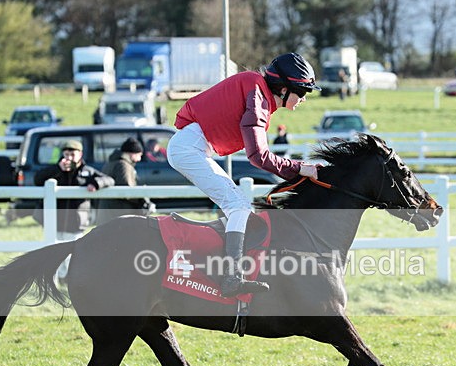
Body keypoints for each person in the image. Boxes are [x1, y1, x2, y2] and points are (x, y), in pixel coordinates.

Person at [166, 52, 321, 298]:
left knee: (237, 206)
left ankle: (222, 267)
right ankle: (231, 278)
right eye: (302, 92)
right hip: (189, 149)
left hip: (193, 147)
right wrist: (301, 168)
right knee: (238, 205)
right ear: (282, 89)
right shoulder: (257, 96)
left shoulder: (257, 91)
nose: (303, 99)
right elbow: (259, 156)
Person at [34, 139, 114, 281]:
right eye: (66, 154)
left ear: (80, 154)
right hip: (55, 222)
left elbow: (109, 180)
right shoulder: (55, 170)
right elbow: (37, 179)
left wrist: (96, 183)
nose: (69, 158)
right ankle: (55, 281)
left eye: (72, 154)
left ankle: (69, 281)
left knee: (72, 256)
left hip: (76, 223)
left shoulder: (88, 171)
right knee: (54, 253)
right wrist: (58, 169)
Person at [97, 137, 153, 225]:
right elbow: (126, 191)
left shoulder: (111, 163)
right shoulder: (123, 165)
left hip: (107, 215)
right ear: (132, 153)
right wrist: (143, 200)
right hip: (118, 216)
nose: (139, 159)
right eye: (139, 155)